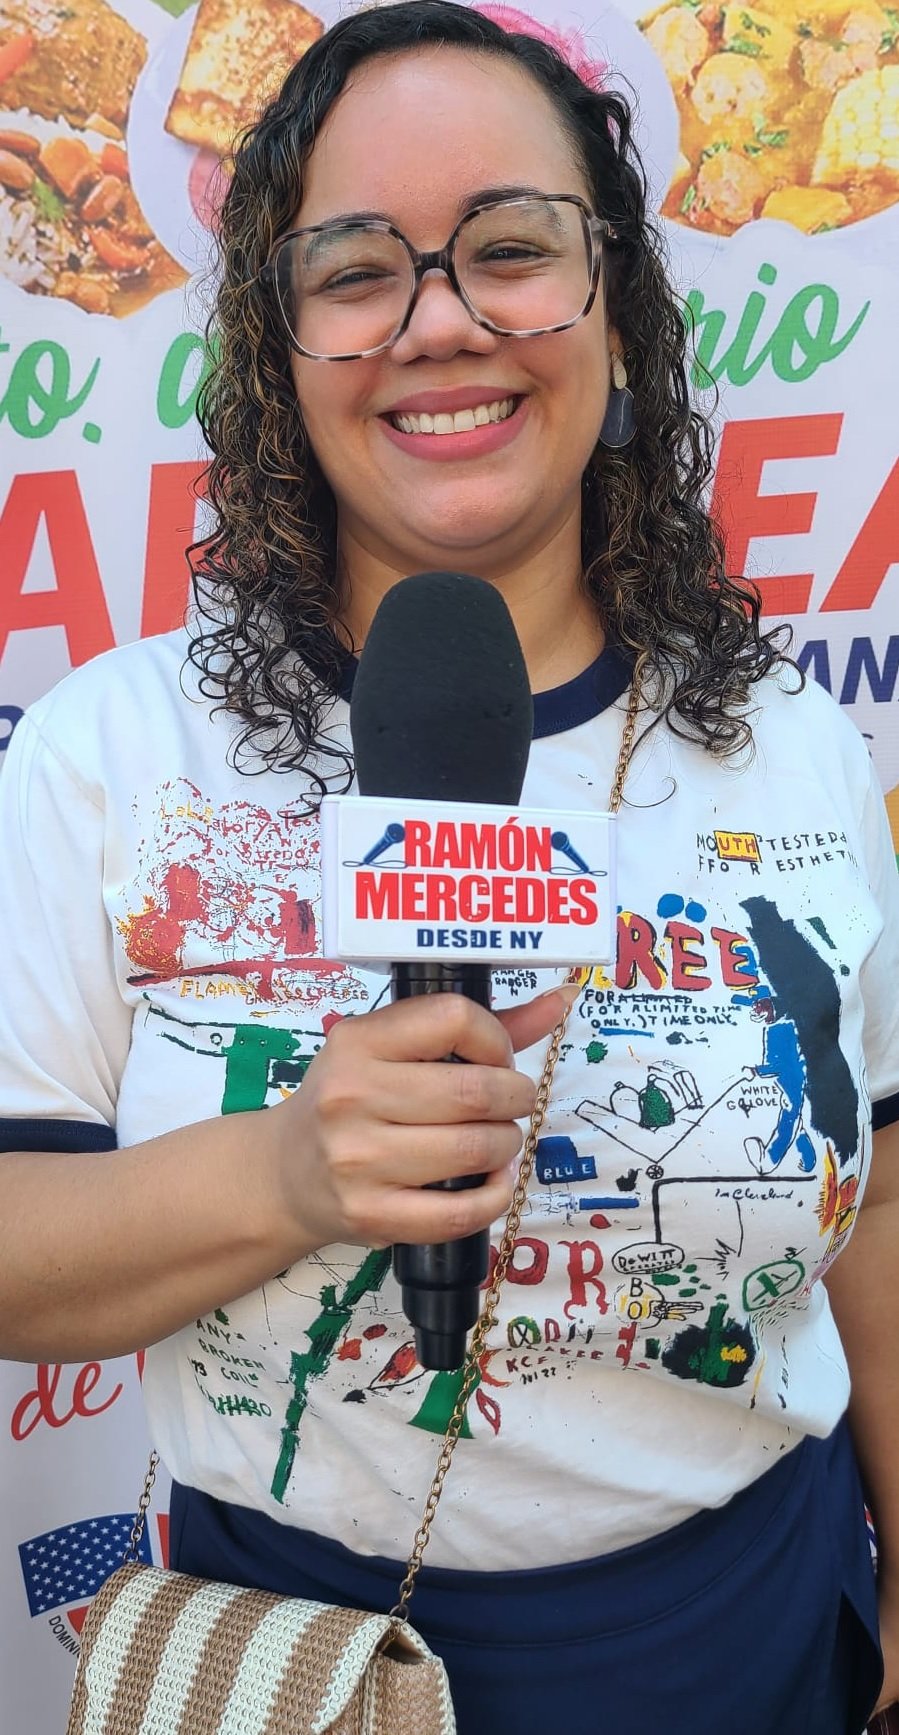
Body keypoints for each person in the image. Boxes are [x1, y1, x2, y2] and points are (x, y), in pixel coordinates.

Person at [1, 3, 897, 1729]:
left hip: (754, 1633)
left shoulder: (792, 742)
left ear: (617, 310)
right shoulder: (113, 751)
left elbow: (885, 1190)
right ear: (280, 355)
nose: (440, 321)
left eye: (510, 249)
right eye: (356, 272)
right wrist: (286, 1174)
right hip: (299, 1664)